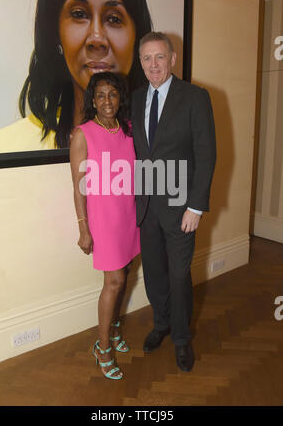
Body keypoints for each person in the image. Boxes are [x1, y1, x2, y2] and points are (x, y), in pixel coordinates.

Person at [0, 0, 152, 154]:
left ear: (137, 36)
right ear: (55, 32)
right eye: (79, 14)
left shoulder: (163, 144)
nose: (96, 38)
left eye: (114, 18)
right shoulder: (5, 149)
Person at [131, 32, 216, 372]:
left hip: (182, 208)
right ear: (140, 62)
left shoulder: (195, 97)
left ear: (173, 59)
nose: (154, 65)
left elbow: (206, 154)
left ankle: (181, 339)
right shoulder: (136, 98)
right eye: (147, 58)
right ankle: (161, 325)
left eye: (160, 57)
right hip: (146, 207)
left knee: (179, 276)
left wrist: (196, 206)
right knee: (154, 274)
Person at [70, 71, 140, 380]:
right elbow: (78, 186)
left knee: (124, 278)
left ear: (119, 98)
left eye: (112, 94)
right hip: (104, 220)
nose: (107, 100)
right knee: (113, 282)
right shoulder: (82, 133)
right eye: (100, 95)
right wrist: (84, 228)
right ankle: (102, 347)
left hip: (129, 215)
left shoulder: (127, 129)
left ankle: (112, 331)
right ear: (93, 101)